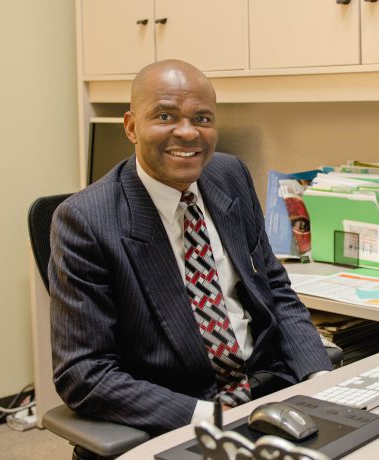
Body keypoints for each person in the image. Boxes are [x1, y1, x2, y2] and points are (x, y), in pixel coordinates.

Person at [48, 59, 333, 436]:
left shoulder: (229, 176)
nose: (188, 133)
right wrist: (209, 419)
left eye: (202, 119)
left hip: (269, 393)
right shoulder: (85, 221)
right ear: (132, 128)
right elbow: (83, 373)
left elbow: (276, 291)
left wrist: (321, 382)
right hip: (183, 410)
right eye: (165, 116)